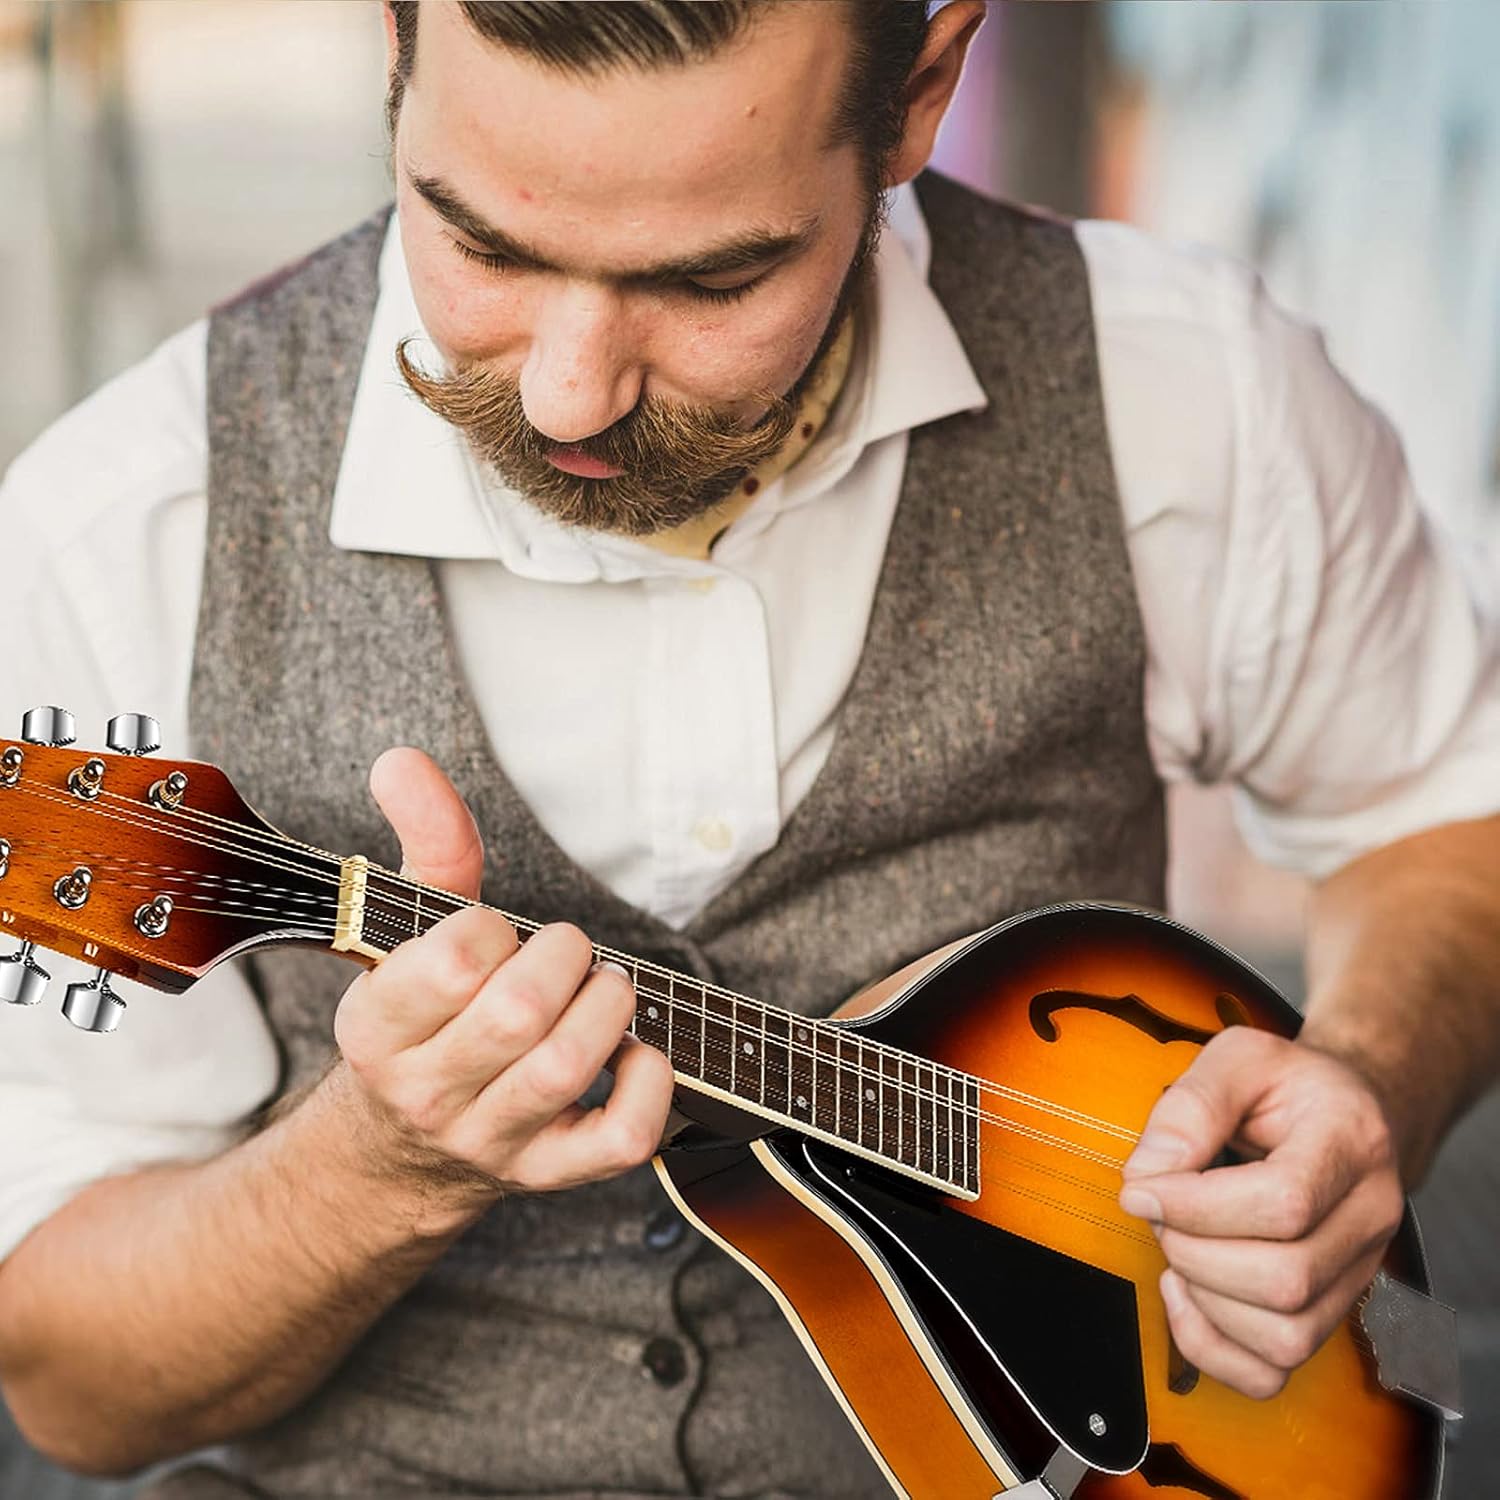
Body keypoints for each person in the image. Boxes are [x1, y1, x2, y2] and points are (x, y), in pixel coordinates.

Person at [1, 2, 1497, 1496]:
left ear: (918, 90)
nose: (568, 390)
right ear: (391, 38)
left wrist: (1366, 1077)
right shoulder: (124, 527)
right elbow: (73, 1394)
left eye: (713, 277)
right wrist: (373, 1171)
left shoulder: (1194, 393)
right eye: (485, 247)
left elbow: (1445, 817)